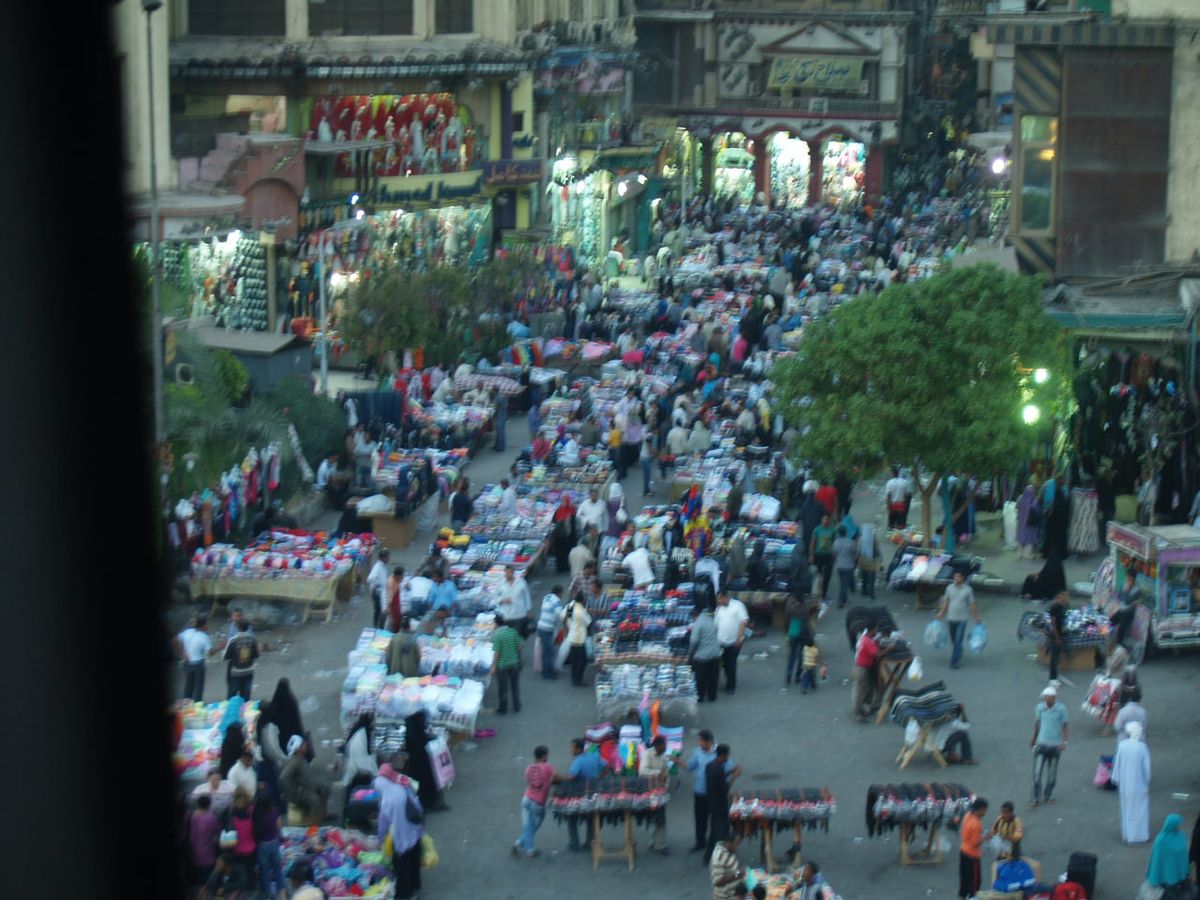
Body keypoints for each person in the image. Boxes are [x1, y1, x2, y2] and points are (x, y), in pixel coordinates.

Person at [376, 753, 424, 900]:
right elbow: (417, 805)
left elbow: (383, 824)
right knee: (414, 859)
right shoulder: (402, 786)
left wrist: (380, 840)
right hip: (415, 830)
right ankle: (415, 885)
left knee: (402, 866)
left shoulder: (387, 800)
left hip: (402, 836)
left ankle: (405, 894)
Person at [513, 745, 567, 858]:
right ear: (544, 756)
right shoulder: (548, 767)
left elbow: (531, 782)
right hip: (538, 803)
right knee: (533, 825)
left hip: (526, 798)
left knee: (527, 825)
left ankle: (520, 844)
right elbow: (559, 777)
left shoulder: (528, 768)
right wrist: (570, 778)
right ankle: (528, 849)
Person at [1112, 721, 1152, 844]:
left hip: (1125, 784)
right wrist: (1147, 782)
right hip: (1139, 784)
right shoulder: (1142, 747)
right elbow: (1147, 768)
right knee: (1140, 810)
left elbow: (1117, 764)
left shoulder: (1122, 746)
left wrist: (1117, 779)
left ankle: (1128, 835)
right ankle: (1141, 835)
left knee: (1127, 809)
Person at [1030, 684, 1068, 808]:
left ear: (1054, 697)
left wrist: (1064, 742)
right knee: (1036, 774)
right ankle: (1035, 798)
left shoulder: (1062, 709)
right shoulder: (1039, 707)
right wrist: (1033, 739)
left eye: (1049, 697)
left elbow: (1064, 725)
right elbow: (1037, 723)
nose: (1046, 699)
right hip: (1041, 744)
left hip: (1056, 746)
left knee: (1052, 774)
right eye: (1045, 697)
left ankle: (1048, 795)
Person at [935, 570, 981, 670]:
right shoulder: (949, 588)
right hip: (951, 618)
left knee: (958, 640)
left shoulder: (968, 590)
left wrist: (976, 616)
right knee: (953, 639)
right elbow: (946, 602)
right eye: (955, 577)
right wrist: (941, 613)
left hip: (962, 619)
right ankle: (959, 650)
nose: (956, 579)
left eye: (958, 577)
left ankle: (954, 661)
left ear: (963, 578)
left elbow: (972, 604)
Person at [278, 735, 329, 823]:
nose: (306, 745)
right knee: (314, 799)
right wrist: (293, 792)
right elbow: (283, 778)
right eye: (303, 744)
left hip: (308, 786)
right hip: (300, 792)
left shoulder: (300, 758)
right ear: (298, 748)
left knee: (325, 787)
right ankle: (313, 823)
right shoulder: (294, 761)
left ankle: (323, 815)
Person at [566, 738, 604, 852]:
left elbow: (572, 776)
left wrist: (559, 778)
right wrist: (600, 778)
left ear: (578, 749)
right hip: (594, 792)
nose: (571, 750)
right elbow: (607, 765)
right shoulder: (593, 756)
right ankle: (589, 842)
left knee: (572, 817)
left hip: (580, 793)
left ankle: (574, 843)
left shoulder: (578, 761)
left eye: (572, 747)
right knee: (591, 818)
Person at [403, 710, 445, 812]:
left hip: (419, 763)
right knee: (427, 784)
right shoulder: (414, 731)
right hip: (421, 763)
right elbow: (420, 744)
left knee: (424, 784)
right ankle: (428, 804)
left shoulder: (412, 728)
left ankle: (427, 803)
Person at [706, 744, 740, 865]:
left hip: (711, 803)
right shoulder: (719, 769)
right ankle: (718, 857)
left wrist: (730, 772)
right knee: (720, 832)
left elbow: (718, 779)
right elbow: (725, 789)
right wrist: (734, 777)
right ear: (724, 755)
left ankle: (709, 856)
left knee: (714, 831)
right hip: (720, 805)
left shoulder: (710, 766)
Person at [1143, 814, 1192, 896]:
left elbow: (1182, 852)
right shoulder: (1161, 841)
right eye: (1178, 824)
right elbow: (1158, 861)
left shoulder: (1180, 834)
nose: (1180, 826)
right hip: (1164, 878)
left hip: (1178, 873)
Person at [639, 735, 672, 855]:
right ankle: (659, 844)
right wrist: (658, 773)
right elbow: (642, 771)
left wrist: (666, 787)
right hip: (649, 792)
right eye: (664, 745)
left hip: (660, 793)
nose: (665, 747)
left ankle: (656, 842)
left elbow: (667, 774)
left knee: (660, 818)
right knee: (658, 818)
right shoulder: (647, 754)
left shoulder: (663, 757)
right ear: (657, 746)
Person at [714, 591, 749, 694]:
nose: (718, 601)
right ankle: (728, 682)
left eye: (720, 599)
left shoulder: (738, 606)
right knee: (724, 664)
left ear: (725, 597)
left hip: (734, 642)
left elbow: (744, 622)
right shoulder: (719, 608)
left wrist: (739, 638)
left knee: (731, 663)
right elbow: (716, 624)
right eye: (717, 599)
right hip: (721, 641)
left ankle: (731, 686)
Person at [185, 793, 220, 892]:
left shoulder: (190, 816)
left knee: (197, 884)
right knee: (208, 882)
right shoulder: (211, 818)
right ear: (209, 805)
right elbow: (217, 831)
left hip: (193, 855)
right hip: (207, 855)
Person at [176, 614, 214, 702]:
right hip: (198, 665)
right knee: (198, 688)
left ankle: (185, 706)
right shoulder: (204, 637)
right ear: (204, 625)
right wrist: (222, 645)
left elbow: (175, 639)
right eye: (206, 624)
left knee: (188, 685)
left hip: (187, 663)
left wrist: (182, 652)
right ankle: (197, 706)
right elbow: (210, 653)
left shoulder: (187, 632)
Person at [491, 613, 523, 715]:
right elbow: (520, 646)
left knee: (503, 687)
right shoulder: (512, 631)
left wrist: (493, 666)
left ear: (496, 623)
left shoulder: (497, 635)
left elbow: (497, 653)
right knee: (515, 686)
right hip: (514, 663)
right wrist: (515, 653)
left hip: (502, 665)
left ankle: (503, 709)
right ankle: (517, 705)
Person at [958, 797, 988, 900]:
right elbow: (975, 843)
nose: (985, 813)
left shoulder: (967, 815)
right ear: (981, 809)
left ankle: (962, 897)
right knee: (975, 883)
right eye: (985, 810)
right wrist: (986, 837)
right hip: (972, 857)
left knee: (964, 881)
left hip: (963, 852)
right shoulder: (977, 824)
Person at [690, 604, 721, 703]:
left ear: (694, 615)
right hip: (716, 653)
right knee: (713, 676)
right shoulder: (710, 619)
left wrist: (691, 653)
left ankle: (700, 697)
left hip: (702, 656)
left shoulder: (698, 623)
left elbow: (694, 641)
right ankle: (712, 696)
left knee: (700, 677)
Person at [850, 624, 881, 722]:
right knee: (859, 692)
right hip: (862, 669)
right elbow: (877, 654)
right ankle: (857, 713)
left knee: (861, 691)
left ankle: (859, 710)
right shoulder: (867, 641)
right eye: (876, 629)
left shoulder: (865, 638)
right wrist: (890, 649)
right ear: (872, 630)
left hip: (860, 667)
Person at [563, 592, 593, 686]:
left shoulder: (570, 606)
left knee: (574, 659)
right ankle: (578, 679)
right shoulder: (581, 610)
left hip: (572, 636)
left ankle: (574, 677)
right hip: (579, 638)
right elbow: (589, 622)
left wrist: (569, 626)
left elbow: (563, 617)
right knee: (582, 660)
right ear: (583, 600)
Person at [223, 620, 258, 701]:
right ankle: (245, 711)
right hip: (248, 671)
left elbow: (226, 657)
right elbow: (256, 655)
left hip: (235, 672)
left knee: (232, 694)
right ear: (248, 628)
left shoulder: (233, 641)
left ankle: (233, 711)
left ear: (238, 628)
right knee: (246, 695)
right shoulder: (253, 640)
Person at [710, 824, 745, 898]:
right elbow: (718, 881)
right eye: (737, 843)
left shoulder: (730, 850)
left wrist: (740, 867)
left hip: (736, 891)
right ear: (729, 843)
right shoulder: (719, 858)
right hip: (726, 896)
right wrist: (737, 874)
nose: (738, 846)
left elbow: (735, 863)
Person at [495, 566, 532, 636]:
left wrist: (529, 610)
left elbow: (527, 596)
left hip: (520, 614)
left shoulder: (521, 582)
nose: (508, 574)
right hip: (507, 615)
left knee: (516, 635)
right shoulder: (501, 583)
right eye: (506, 572)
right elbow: (495, 596)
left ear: (513, 572)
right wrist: (502, 600)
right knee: (509, 636)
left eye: (510, 572)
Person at [536, 587, 564, 680]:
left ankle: (548, 670)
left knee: (546, 650)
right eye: (562, 594)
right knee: (548, 651)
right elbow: (561, 615)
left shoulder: (547, 597)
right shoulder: (556, 601)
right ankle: (548, 673)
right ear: (559, 593)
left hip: (541, 626)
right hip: (547, 628)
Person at [809, 514, 837, 600]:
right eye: (824, 519)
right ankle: (817, 592)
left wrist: (834, 555)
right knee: (818, 574)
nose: (825, 521)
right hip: (818, 555)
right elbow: (812, 543)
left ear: (829, 520)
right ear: (821, 520)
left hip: (828, 555)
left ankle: (824, 593)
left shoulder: (832, 529)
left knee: (828, 575)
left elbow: (834, 543)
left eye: (827, 520)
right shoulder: (817, 529)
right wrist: (811, 555)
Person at [784, 594, 810, 685]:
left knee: (792, 654)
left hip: (793, 630)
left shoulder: (790, 607)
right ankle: (797, 676)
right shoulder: (805, 608)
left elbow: (786, 619)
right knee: (801, 656)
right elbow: (807, 622)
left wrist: (787, 631)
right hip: (802, 632)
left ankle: (789, 674)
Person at [830, 525, 857, 609]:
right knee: (844, 584)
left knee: (842, 583)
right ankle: (842, 600)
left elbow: (834, 554)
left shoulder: (836, 542)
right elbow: (854, 554)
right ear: (846, 532)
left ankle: (844, 597)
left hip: (840, 566)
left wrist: (835, 563)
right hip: (848, 566)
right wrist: (854, 562)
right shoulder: (850, 542)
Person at [551, 494, 577, 574]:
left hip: (569, 537)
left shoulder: (572, 509)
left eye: (565, 501)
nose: (564, 503)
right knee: (560, 552)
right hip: (560, 536)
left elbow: (574, 522)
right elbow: (554, 521)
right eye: (562, 501)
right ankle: (560, 568)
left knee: (568, 552)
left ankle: (567, 567)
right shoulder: (558, 510)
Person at [1046, 590, 1068, 681]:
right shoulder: (1055, 607)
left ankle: (1054, 676)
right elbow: (1053, 624)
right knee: (1054, 658)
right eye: (1065, 596)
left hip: (1060, 634)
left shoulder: (1062, 606)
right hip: (1056, 636)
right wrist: (1057, 637)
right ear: (1059, 597)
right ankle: (1053, 678)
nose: (1067, 598)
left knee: (1057, 657)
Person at [367, 548, 390, 628]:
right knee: (378, 610)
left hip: (381, 591)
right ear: (383, 558)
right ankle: (377, 626)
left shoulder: (383, 566)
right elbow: (370, 579)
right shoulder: (378, 567)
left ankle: (379, 626)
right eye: (387, 557)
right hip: (378, 593)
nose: (388, 559)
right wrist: (377, 585)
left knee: (380, 610)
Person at [857, 522, 881, 599]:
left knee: (864, 577)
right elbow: (877, 549)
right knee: (872, 578)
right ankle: (871, 592)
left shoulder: (861, 539)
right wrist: (880, 558)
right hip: (872, 562)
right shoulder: (873, 538)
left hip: (863, 561)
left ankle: (864, 590)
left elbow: (858, 550)